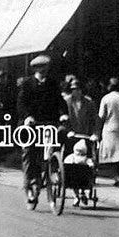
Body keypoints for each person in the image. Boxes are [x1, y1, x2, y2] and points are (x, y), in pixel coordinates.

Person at [17, 54, 67, 208]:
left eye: (45, 67)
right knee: (29, 154)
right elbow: (21, 103)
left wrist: (64, 113)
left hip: (49, 122)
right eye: (40, 68)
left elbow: (60, 101)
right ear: (35, 69)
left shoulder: (52, 83)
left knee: (57, 143)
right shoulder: (27, 84)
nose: (43, 70)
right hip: (32, 125)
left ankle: (54, 169)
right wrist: (27, 117)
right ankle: (30, 186)